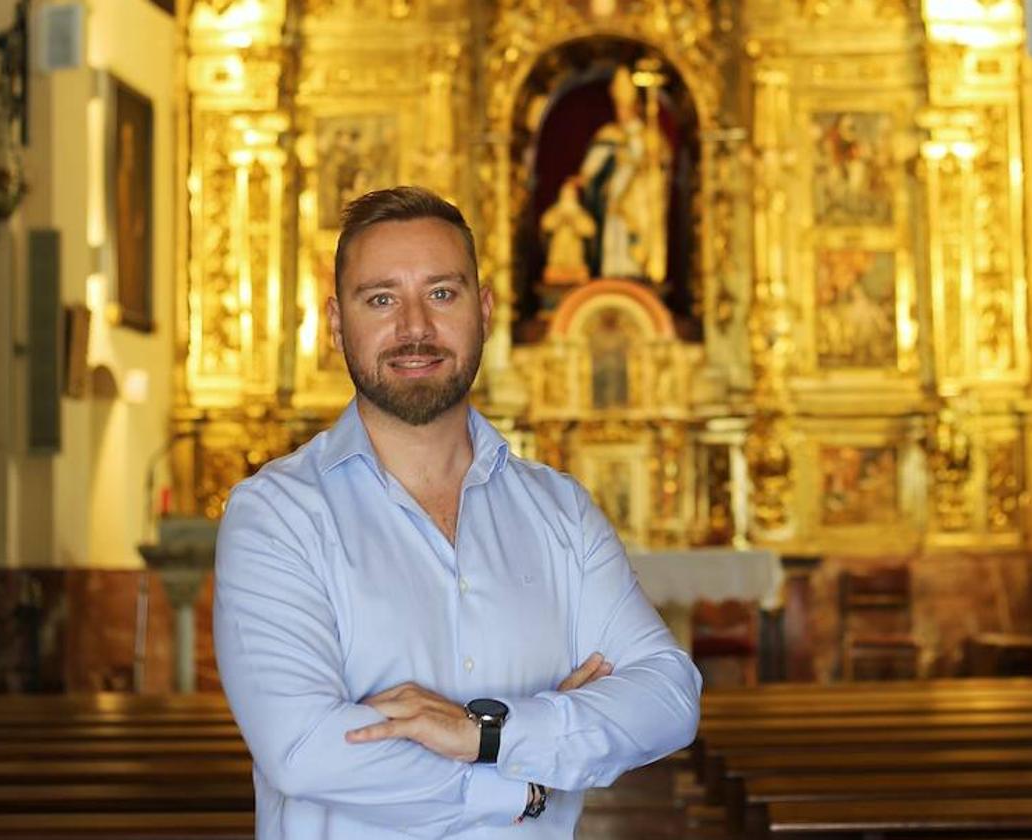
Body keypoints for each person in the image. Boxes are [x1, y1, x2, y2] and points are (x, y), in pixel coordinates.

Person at [214, 185, 701, 839]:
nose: (414, 327)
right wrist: (523, 778)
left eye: (442, 293)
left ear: (486, 311)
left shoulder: (559, 510)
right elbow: (302, 752)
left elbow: (669, 697)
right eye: (380, 299)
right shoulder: (276, 516)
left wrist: (484, 734)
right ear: (336, 325)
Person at [575, 66, 671, 283]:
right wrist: (585, 176)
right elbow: (596, 159)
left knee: (633, 233)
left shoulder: (648, 133)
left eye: (625, 107)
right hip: (616, 189)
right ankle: (613, 270)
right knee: (614, 231)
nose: (622, 111)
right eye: (619, 107)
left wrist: (653, 156)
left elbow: (661, 161)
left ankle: (635, 271)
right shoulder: (611, 133)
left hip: (639, 195)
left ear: (635, 106)